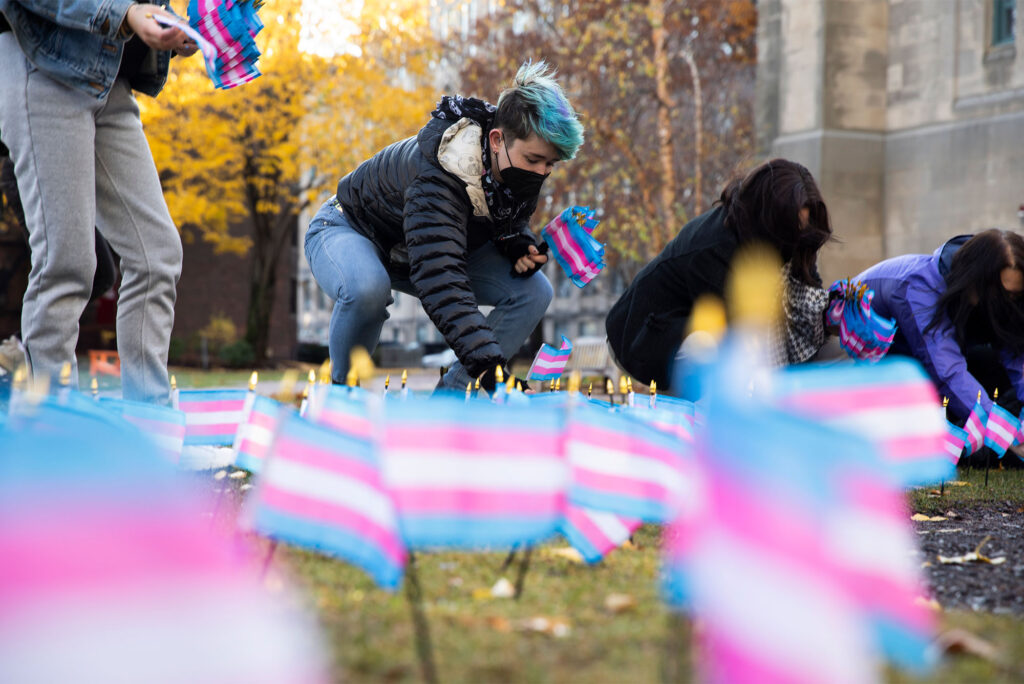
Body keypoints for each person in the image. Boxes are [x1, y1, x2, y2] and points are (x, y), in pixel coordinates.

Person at [305, 61, 584, 391]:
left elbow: (508, 220)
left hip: (412, 254)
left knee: (535, 291)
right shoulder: (439, 176)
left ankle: (452, 398)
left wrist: (517, 243)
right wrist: (490, 369)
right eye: (534, 160)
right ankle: (341, 396)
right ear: (497, 140)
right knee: (367, 288)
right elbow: (443, 280)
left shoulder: (514, 168)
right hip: (350, 228)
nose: (541, 172)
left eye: (550, 164)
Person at [0, 0, 195, 402]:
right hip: (42, 62)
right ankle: (49, 425)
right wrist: (125, 15)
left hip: (110, 79)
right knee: (67, 263)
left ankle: (148, 419)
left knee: (156, 254)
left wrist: (168, 25)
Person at [605, 159, 834, 394]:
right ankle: (693, 418)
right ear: (769, 218)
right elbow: (742, 341)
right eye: (790, 228)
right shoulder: (714, 247)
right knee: (711, 348)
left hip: (703, 326)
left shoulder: (794, 236)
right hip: (644, 334)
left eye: (801, 227)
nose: (796, 236)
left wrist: (833, 317)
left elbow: (810, 296)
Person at [855, 230, 1024, 426]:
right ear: (978, 278)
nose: (1009, 303)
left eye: (1015, 295)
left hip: (930, 361)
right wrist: (1005, 432)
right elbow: (948, 373)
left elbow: (1016, 352)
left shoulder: (993, 297)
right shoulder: (918, 289)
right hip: (870, 368)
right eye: (1004, 293)